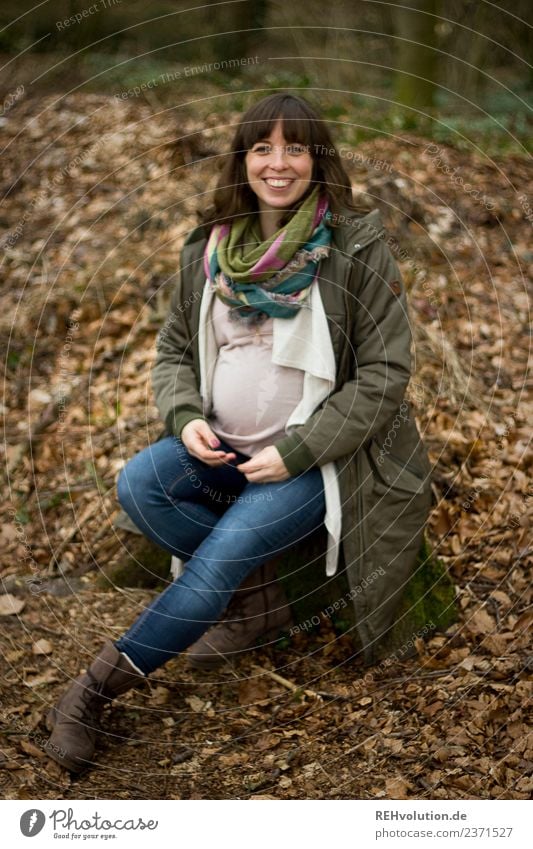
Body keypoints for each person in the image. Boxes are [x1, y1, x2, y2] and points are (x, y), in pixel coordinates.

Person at [44, 93, 432, 773]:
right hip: (220, 448)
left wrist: (299, 449)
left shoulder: (354, 247)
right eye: (262, 147)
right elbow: (171, 349)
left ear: (317, 159)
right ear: (242, 159)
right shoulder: (211, 247)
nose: (277, 163)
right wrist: (185, 416)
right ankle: (254, 599)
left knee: (219, 556)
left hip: (309, 462)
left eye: (294, 147)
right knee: (139, 483)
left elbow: (384, 373)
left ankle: (91, 690)